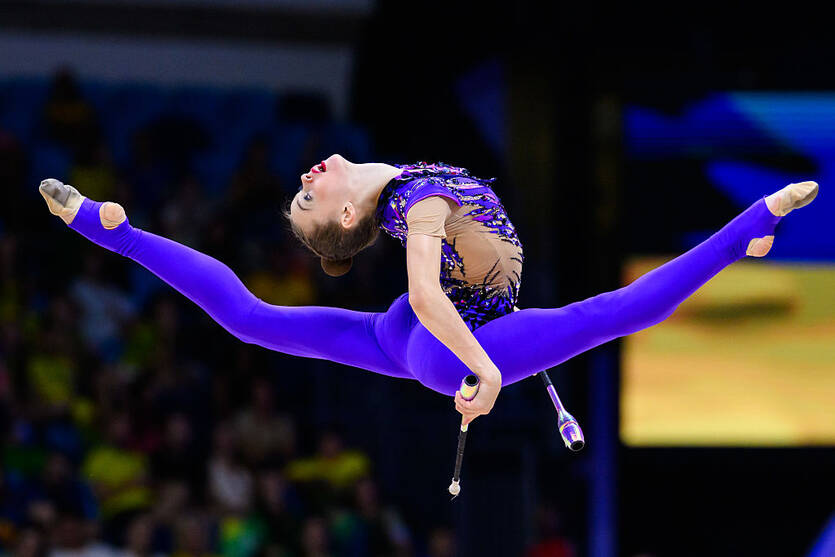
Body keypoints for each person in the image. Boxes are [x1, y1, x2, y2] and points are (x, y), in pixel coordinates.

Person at [38, 156, 819, 426]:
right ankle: (747, 227)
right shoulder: (414, 206)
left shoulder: (398, 183)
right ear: (349, 212)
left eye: (302, 192)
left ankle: (107, 230)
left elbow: (423, 292)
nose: (306, 179)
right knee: (617, 312)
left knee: (254, 321)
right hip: (441, 343)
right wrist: (479, 369)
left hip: (403, 331)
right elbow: (426, 290)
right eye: (310, 198)